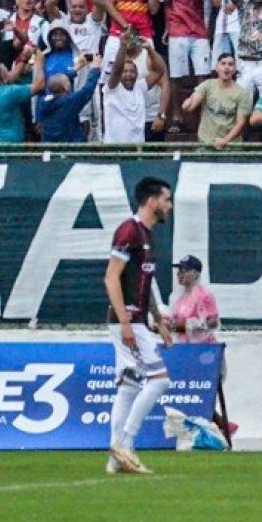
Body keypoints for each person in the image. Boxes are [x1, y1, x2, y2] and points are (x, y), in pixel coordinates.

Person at [104, 177, 176, 476]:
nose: (170, 206)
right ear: (151, 201)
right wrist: (125, 323)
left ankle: (115, 459)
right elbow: (111, 278)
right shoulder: (128, 230)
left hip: (138, 320)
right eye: (167, 200)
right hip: (128, 321)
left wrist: (158, 320)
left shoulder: (148, 235)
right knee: (160, 380)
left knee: (130, 386)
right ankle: (126, 445)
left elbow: (146, 284)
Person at [180, 54, 250, 150]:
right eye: (223, 64)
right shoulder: (207, 85)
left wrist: (225, 140)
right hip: (206, 143)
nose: (226, 67)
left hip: (231, 146)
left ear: (234, 70)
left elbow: (241, 122)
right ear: (217, 68)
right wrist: (186, 105)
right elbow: (191, 106)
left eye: (230, 64)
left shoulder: (242, 93)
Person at [169, 255, 220, 344]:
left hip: (202, 347)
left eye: (184, 271)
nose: (179, 274)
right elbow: (174, 322)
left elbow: (213, 322)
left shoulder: (204, 295)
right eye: (179, 270)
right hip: (184, 346)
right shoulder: (178, 297)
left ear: (195, 273)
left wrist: (190, 325)